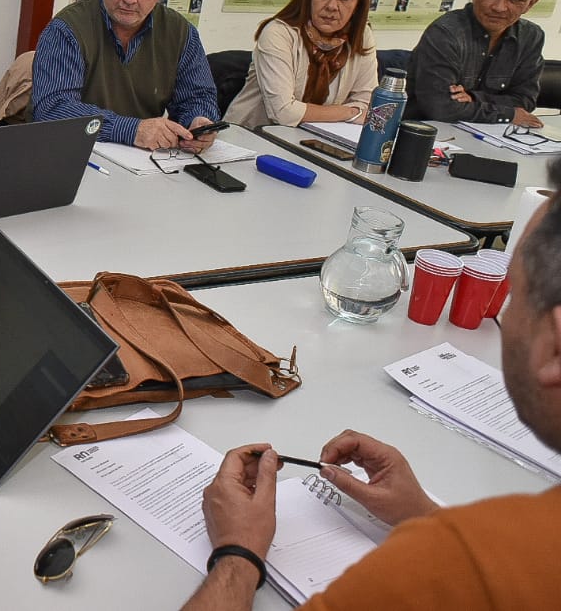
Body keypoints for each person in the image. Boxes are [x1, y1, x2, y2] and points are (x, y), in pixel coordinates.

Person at [183, 159, 561, 610]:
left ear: (554, 345)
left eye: (513, 295)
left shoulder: (452, 566)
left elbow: (490, 570)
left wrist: (238, 552)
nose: (503, 318)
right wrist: (421, 513)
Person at [32, 0, 220, 150]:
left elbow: (198, 96)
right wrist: (132, 130)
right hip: (74, 154)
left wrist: (198, 122)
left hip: (142, 162)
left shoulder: (181, 32)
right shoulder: (67, 29)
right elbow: (53, 110)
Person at [225, 0, 378, 128]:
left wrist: (354, 112)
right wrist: (349, 112)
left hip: (314, 138)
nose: (332, 6)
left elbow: (369, 106)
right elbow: (283, 112)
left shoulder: (362, 35)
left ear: (358, 4)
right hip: (251, 137)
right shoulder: (278, 33)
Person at [406, 0, 546, 126]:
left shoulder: (531, 37)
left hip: (489, 136)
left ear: (532, 2)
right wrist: (508, 114)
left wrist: (473, 98)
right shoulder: (446, 32)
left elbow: (525, 101)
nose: (499, 7)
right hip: (430, 131)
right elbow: (440, 107)